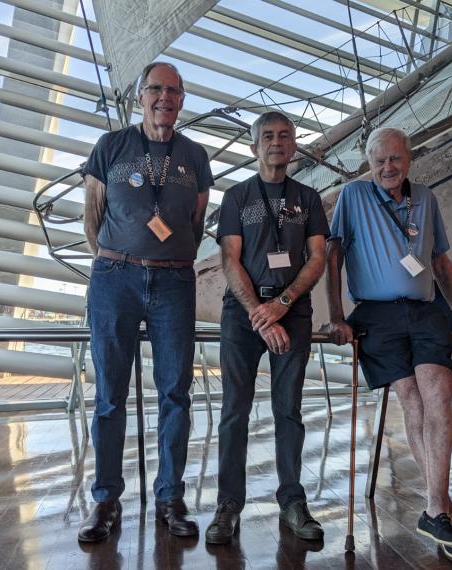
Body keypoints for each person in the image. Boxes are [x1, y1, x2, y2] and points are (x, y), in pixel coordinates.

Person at [325, 127, 452, 563]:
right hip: (376, 314)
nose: (387, 168)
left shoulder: (426, 199)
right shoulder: (353, 197)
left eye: (394, 159)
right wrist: (337, 315)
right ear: (368, 163)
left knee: (439, 394)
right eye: (378, 161)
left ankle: (435, 507)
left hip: (424, 311)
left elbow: (439, 260)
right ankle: (442, 510)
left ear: (408, 158)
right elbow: (333, 254)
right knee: (411, 399)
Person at [78, 62, 213, 542]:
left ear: (182, 100)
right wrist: (121, 259)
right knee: (110, 395)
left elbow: (195, 225)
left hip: (174, 284)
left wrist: (166, 258)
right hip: (115, 277)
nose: (164, 98)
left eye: (173, 90)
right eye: (155, 89)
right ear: (140, 97)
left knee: (175, 392)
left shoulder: (195, 156)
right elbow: (93, 219)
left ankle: (170, 497)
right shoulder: (110, 146)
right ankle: (105, 500)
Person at [205, 111, 329, 545]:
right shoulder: (236, 197)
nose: (277, 142)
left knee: (288, 411)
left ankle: (293, 501)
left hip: (291, 310)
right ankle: (228, 505)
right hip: (243, 313)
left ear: (294, 145)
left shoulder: (309, 199)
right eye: (268, 136)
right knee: (234, 412)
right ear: (254, 146)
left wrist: (282, 304)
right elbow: (229, 259)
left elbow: (318, 258)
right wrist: (260, 312)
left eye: (285, 136)